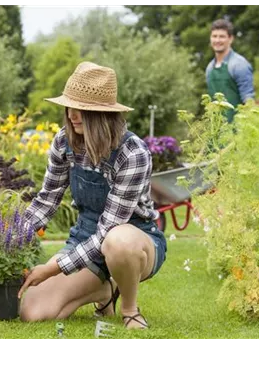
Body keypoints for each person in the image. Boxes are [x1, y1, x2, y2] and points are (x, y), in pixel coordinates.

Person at [18, 61, 167, 330]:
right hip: (85, 238)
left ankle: (129, 308)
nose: (72, 115)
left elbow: (108, 230)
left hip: (134, 240)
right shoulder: (65, 142)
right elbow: (47, 199)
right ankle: (104, 289)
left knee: (117, 241)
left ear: (101, 114)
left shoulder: (133, 153)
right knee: (33, 311)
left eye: (82, 109)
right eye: (69, 107)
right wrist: (7, 242)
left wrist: (52, 269)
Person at [205, 18, 255, 123]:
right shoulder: (209, 68)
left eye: (222, 36)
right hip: (217, 130)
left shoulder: (239, 64)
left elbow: (248, 100)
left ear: (230, 39)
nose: (217, 40)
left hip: (238, 130)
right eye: (214, 36)